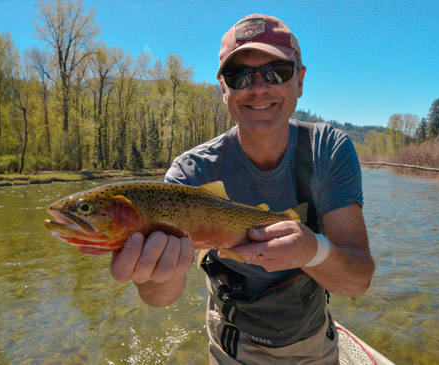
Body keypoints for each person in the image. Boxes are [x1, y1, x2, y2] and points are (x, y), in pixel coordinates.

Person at [105, 14, 375, 364]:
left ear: (301, 81)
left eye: (277, 71)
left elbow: (357, 283)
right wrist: (151, 275)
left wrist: (312, 250)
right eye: (240, 75)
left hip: (312, 343)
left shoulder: (328, 149)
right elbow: (161, 297)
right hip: (229, 346)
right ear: (224, 90)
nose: (258, 87)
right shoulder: (191, 171)